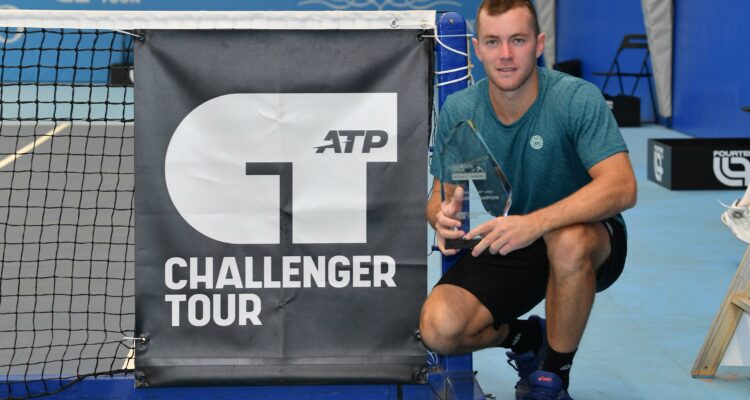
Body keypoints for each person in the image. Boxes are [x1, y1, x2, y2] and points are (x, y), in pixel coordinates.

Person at [419, 1, 637, 399]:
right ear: (477, 48)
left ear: (538, 44)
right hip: (515, 235)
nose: (505, 54)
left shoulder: (575, 98)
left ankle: (552, 377)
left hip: (589, 237)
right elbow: (439, 198)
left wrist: (536, 224)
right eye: (493, 41)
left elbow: (622, 188)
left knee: (567, 241)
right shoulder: (462, 109)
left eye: (517, 40)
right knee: (439, 329)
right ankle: (526, 338)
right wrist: (441, 217)